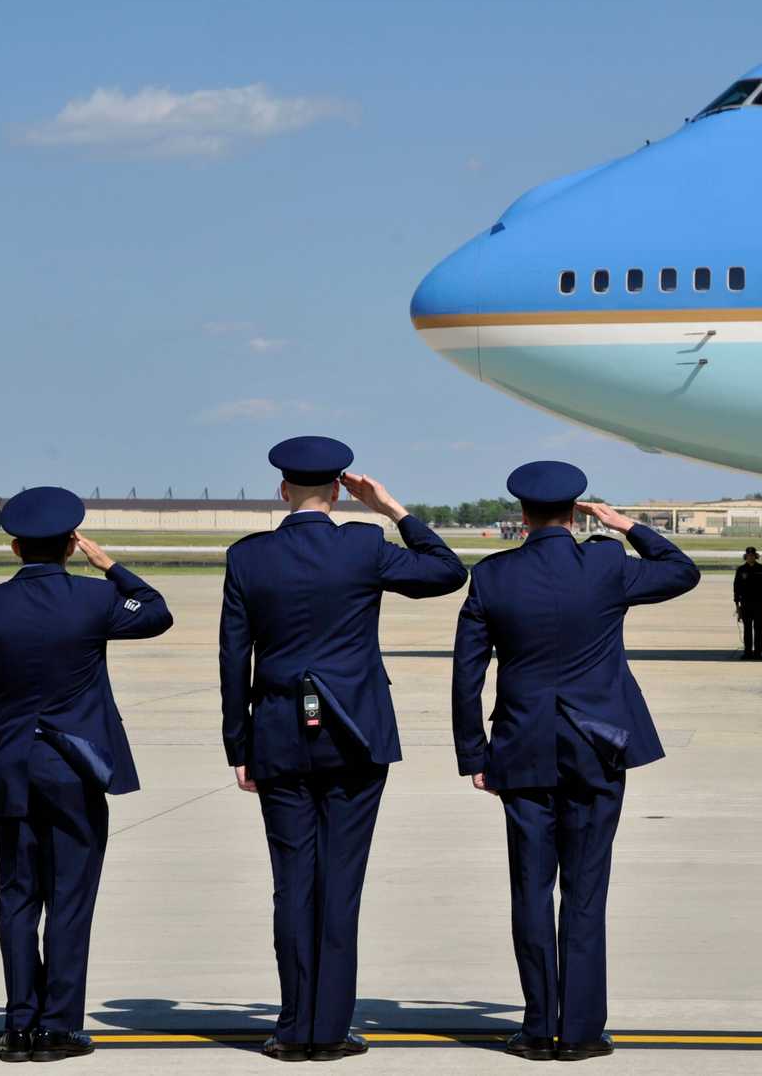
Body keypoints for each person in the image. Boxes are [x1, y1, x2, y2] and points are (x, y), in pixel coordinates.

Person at [220, 436, 466, 1062]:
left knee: (291, 882)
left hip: (276, 731)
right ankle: (328, 1029)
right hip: (355, 733)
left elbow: (232, 657)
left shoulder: (247, 558)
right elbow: (447, 571)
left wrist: (237, 743)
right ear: (337, 490)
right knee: (341, 883)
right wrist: (391, 509)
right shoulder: (363, 545)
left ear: (283, 490)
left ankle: (293, 1025)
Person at [452, 461, 700, 1062]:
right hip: (597, 745)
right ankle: (582, 1030)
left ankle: (538, 1028)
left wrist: (474, 755)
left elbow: (467, 673)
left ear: (521, 516)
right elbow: (682, 572)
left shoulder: (492, 576)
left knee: (531, 892)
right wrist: (625, 525)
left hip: (522, 749)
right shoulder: (607, 564)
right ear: (576, 511)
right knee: (586, 891)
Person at [0, 486, 173, 1063]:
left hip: (11, 768)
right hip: (74, 768)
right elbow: (156, 613)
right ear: (72, 545)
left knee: (18, 898)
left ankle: (18, 1025)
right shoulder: (92, 601)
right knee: (70, 898)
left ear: (16, 547)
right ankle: (58, 1027)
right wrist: (111, 566)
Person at [732, 546, 762, 660]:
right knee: (747, 629)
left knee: (759, 629)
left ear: (756, 556)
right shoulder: (741, 570)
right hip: (745, 603)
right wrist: (737, 605)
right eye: (749, 556)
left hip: (758, 603)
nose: (751, 557)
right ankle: (748, 652)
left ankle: (758, 652)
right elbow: (736, 588)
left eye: (753, 556)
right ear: (746, 557)